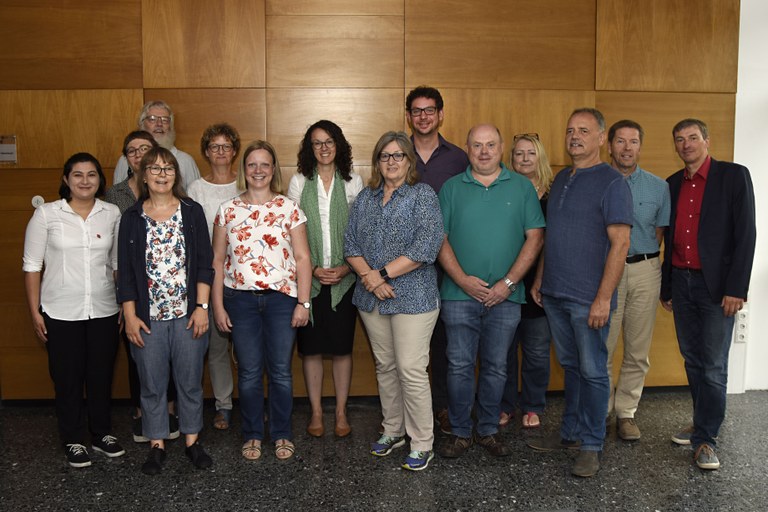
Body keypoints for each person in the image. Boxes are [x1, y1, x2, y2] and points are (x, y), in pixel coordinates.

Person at [527, 108, 632, 478]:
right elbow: (552, 235)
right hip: (554, 293)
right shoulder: (562, 177)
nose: (575, 136)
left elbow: (620, 245)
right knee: (571, 367)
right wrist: (541, 277)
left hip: (589, 298)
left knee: (592, 371)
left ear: (601, 138)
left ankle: (591, 444)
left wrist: (603, 298)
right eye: (571, 130)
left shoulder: (612, 183)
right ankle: (570, 433)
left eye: (584, 131)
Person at [437, 124, 545, 460]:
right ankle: (459, 431)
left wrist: (509, 283)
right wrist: (462, 279)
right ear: (467, 149)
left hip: (506, 297)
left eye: (491, 145)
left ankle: (487, 430)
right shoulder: (451, 188)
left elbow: (535, 238)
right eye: (477, 146)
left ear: (501, 149)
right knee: (458, 365)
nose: (484, 152)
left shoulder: (522, 188)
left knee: (498, 366)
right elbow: (438, 239)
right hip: (458, 295)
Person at [344, 131, 444, 471]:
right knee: (385, 367)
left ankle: (422, 442)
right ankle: (393, 430)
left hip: (413, 298)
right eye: (385, 156)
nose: (391, 162)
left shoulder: (423, 195)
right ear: (377, 162)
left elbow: (426, 246)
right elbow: (350, 245)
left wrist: (380, 275)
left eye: (398, 155)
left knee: (411, 370)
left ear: (409, 161)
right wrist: (372, 281)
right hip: (372, 299)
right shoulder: (365, 198)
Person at [661, 118, 756, 470]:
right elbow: (669, 239)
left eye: (693, 137)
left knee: (714, 365)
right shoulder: (672, 184)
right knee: (693, 359)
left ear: (706, 140)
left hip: (717, 288)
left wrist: (736, 288)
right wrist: (667, 286)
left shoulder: (733, 176)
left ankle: (705, 441)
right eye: (679, 139)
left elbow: (746, 234)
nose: (686, 144)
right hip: (682, 283)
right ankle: (704, 422)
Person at [211, 140, 311, 462]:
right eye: (252, 165)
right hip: (239, 301)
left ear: (273, 170)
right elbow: (216, 262)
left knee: (281, 370)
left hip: (282, 301)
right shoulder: (227, 210)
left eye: (264, 165)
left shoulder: (289, 208)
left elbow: (303, 257)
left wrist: (304, 303)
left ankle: (281, 432)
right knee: (250, 372)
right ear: (244, 170)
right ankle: (253, 433)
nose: (258, 171)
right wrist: (216, 305)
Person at [23, 152, 123, 468]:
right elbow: (31, 266)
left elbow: (117, 263)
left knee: (100, 375)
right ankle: (73, 439)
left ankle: (101, 433)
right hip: (60, 311)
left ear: (100, 180)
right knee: (67, 378)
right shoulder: (47, 214)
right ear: (66, 179)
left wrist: (123, 304)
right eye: (77, 174)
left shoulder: (112, 213)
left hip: (104, 309)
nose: (84, 180)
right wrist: (35, 312)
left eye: (91, 174)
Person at [118, 147, 214, 475]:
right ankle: (156, 444)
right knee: (152, 383)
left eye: (168, 168)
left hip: (188, 315)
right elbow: (126, 274)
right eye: (155, 169)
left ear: (176, 174)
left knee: (189, 382)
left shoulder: (192, 211)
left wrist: (202, 308)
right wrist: (129, 316)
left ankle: (191, 441)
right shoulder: (131, 217)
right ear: (143, 175)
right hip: (146, 319)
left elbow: (204, 265)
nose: (162, 174)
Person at [287, 120, 363, 438]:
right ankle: (317, 413)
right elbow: (290, 232)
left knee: (343, 349)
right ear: (309, 147)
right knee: (313, 349)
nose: (323, 148)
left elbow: (361, 231)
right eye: (317, 142)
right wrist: (314, 268)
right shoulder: (298, 182)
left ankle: (342, 413)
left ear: (339, 145)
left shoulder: (353, 181)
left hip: (345, 278)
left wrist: (347, 268)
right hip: (311, 277)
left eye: (329, 141)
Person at [106, 131, 181, 444]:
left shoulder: (180, 202)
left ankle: (171, 412)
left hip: (174, 300)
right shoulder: (116, 197)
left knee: (177, 359)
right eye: (133, 151)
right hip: (132, 294)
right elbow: (116, 254)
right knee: (140, 361)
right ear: (128, 158)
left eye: (145, 150)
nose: (139, 156)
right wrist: (126, 303)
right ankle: (143, 416)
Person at [405, 86, 469, 435]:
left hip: (447, 265)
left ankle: (443, 409)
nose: (424, 117)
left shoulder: (459, 158)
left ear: (440, 114)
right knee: (408, 348)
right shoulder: (397, 155)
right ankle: (407, 415)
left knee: (445, 343)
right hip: (403, 268)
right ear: (409, 116)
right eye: (417, 111)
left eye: (430, 110)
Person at [604, 120, 671, 441]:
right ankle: (601, 410)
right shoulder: (598, 182)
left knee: (637, 348)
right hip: (606, 271)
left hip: (645, 268)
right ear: (610, 146)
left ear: (640, 147)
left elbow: (657, 234)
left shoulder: (659, 187)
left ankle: (626, 413)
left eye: (633, 142)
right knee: (602, 344)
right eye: (621, 141)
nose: (627, 148)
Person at [187, 123, 241, 431]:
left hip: (245, 275)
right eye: (214, 147)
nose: (220, 152)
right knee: (218, 348)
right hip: (209, 276)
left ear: (234, 151)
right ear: (206, 153)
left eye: (226, 146)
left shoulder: (246, 181)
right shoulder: (195, 189)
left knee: (248, 348)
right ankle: (224, 405)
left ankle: (251, 403)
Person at [499, 133, 553, 430]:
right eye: (518, 153)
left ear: (540, 157)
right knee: (503, 350)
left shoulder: (553, 193)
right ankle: (505, 405)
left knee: (536, 350)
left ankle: (533, 405)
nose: (524, 158)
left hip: (540, 283)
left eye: (530, 153)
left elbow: (549, 241)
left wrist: (541, 278)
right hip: (505, 280)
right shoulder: (502, 190)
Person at [112, 100, 200, 190]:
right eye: (152, 119)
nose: (159, 124)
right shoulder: (126, 160)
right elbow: (117, 194)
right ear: (141, 123)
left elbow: (194, 197)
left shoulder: (185, 161)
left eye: (165, 120)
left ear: (170, 126)